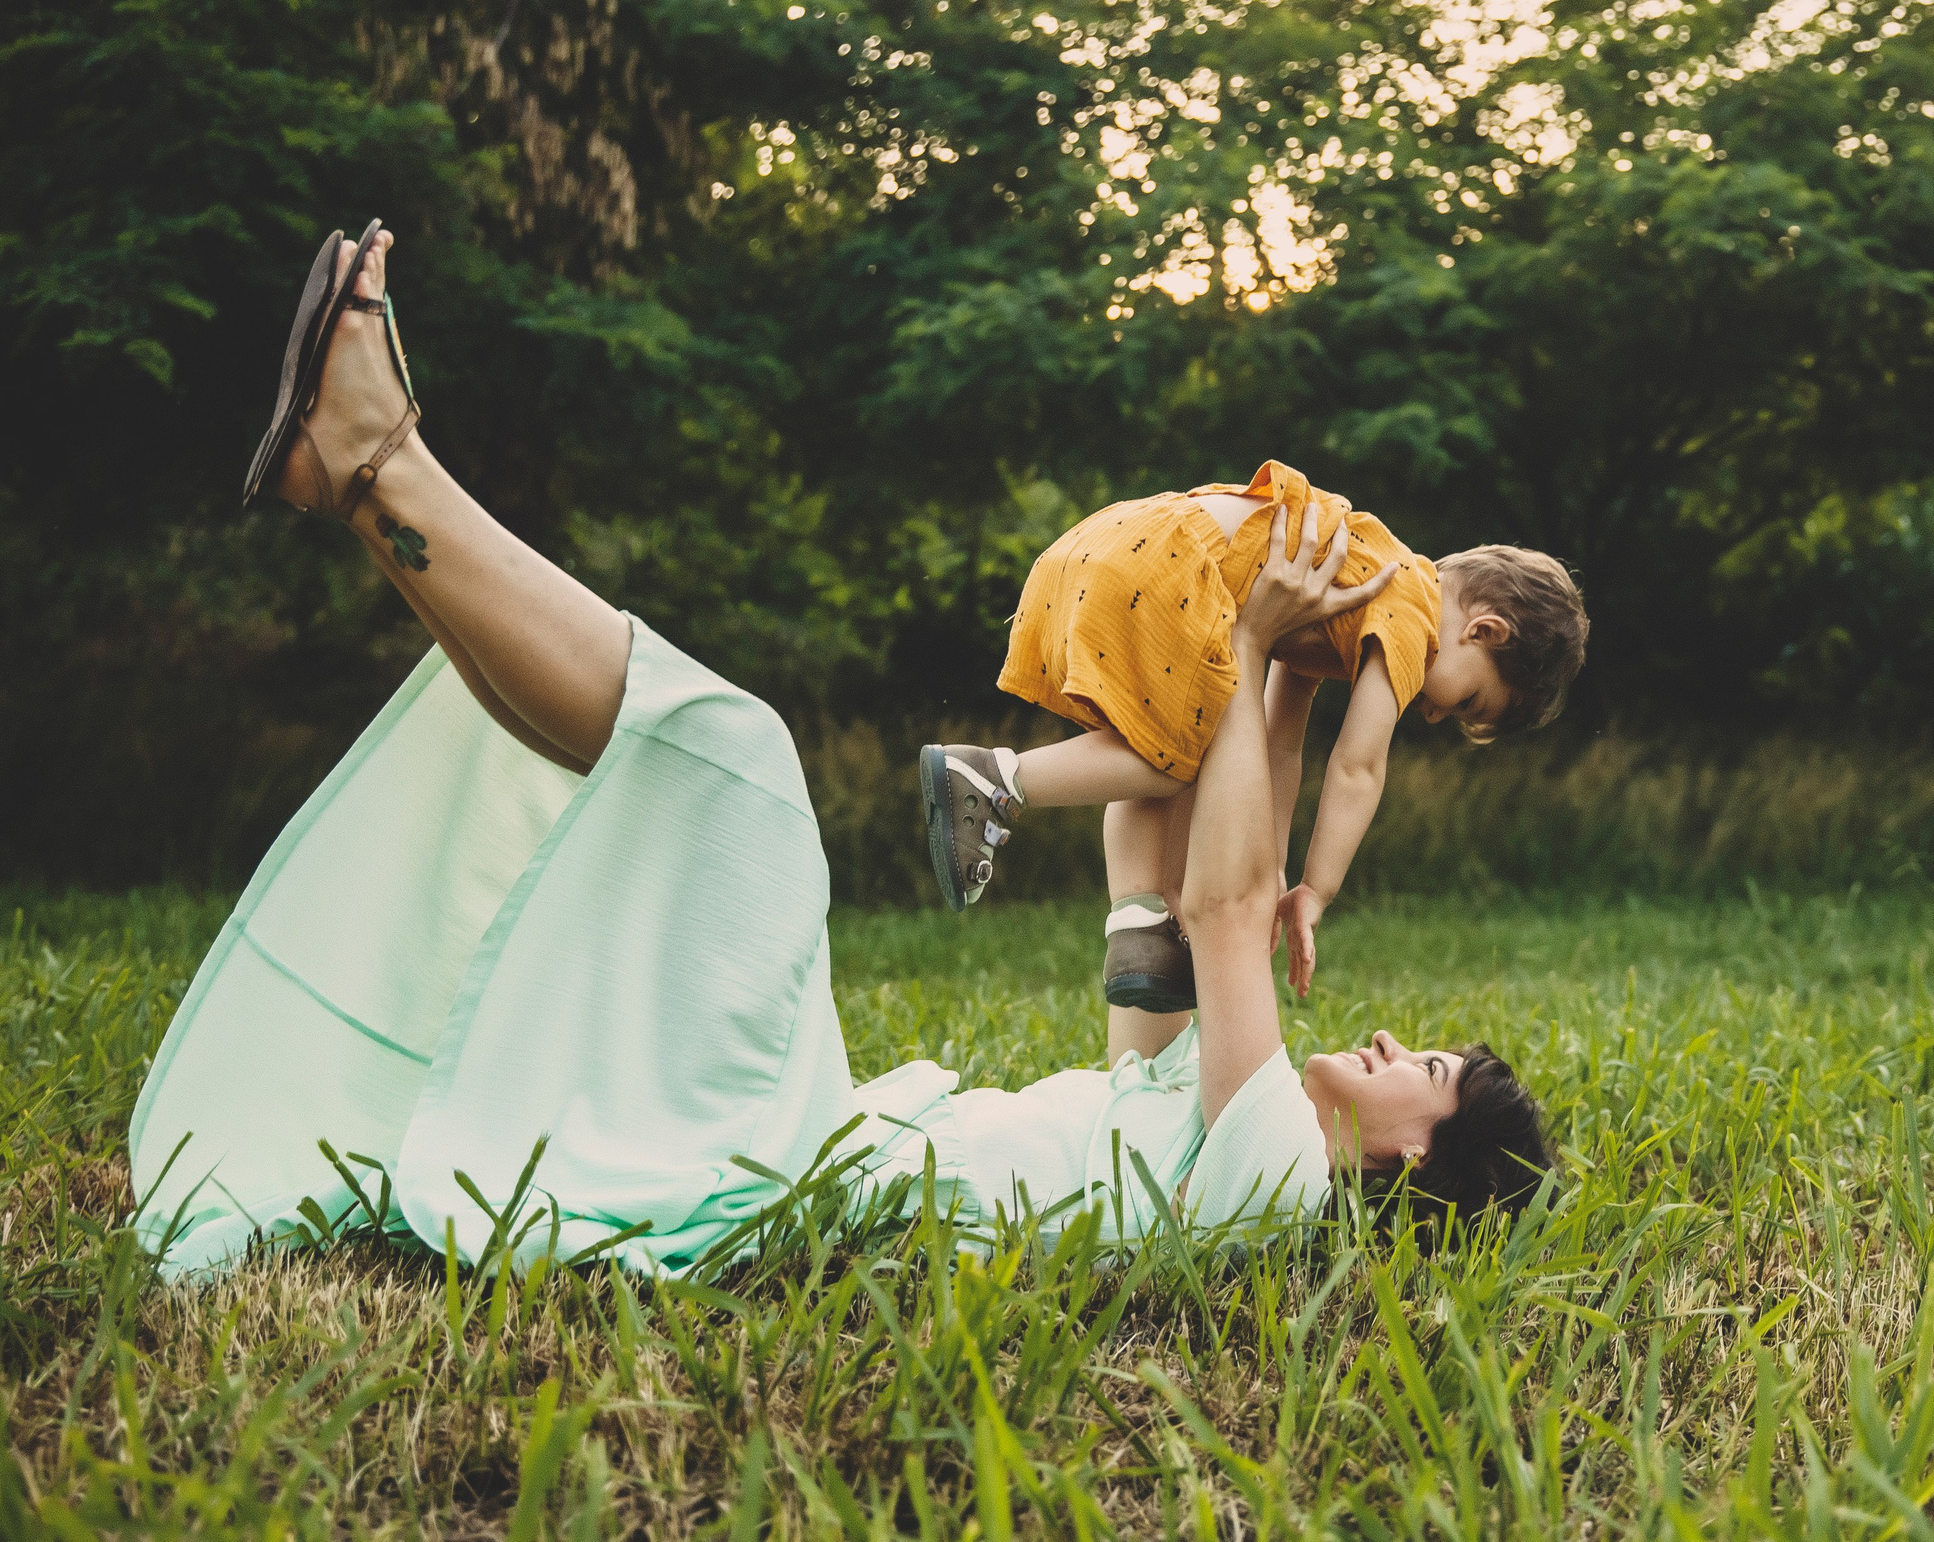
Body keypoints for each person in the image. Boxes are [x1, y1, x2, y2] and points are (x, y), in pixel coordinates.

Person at [126, 224, 1554, 1276]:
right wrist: (1174, 711)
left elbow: (1230, 906)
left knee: (728, 755)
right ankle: (364, 472)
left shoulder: (1269, 1182)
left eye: (1420, 1060)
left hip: (791, 1171)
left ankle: (380, 460)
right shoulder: (1203, 1120)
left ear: (1417, 1157)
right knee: (693, 759)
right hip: (816, 1142)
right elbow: (1152, 913)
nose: (1385, 1038)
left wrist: (1253, 650)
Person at [920, 464, 1588, 1013]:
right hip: (1166, 568)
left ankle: (1145, 930)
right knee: (1174, 763)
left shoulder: (1353, 592)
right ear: (1485, 630)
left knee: (1167, 745)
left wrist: (1270, 864)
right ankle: (994, 780)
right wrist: (1316, 890)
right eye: (1467, 700)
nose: (1436, 716)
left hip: (1116, 542)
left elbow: (1277, 745)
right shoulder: (1410, 603)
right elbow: (1358, 767)